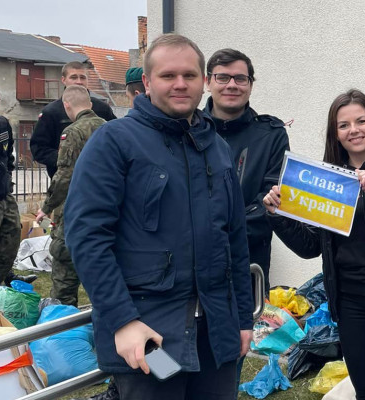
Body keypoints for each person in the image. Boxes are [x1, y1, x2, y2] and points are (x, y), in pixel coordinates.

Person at [64, 34, 253, 400]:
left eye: (189, 75)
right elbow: (87, 238)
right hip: (150, 336)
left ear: (203, 82)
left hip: (216, 336)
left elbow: (235, 240)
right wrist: (123, 320)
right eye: (168, 76)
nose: (180, 84)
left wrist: (242, 319)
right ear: (147, 83)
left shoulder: (217, 148)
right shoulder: (114, 142)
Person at [263, 89, 365, 400]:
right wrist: (278, 215)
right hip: (351, 304)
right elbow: (311, 246)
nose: (354, 130)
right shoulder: (328, 179)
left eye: (361, 121)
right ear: (335, 134)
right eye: (344, 125)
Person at [203, 48, 290, 295]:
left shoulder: (271, 135)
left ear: (250, 85)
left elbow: (273, 199)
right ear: (208, 82)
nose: (232, 85)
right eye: (223, 77)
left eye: (240, 78)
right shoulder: (187, 132)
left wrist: (214, 231)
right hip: (193, 265)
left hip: (249, 265)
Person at [35, 86, 105, 307]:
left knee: (64, 270)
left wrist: (46, 207)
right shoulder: (109, 128)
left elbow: (64, 175)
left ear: (66, 105)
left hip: (76, 210)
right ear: (91, 105)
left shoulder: (73, 132)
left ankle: (63, 325)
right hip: (105, 209)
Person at [30, 61, 117, 177]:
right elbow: (38, 149)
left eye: (82, 77)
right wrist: (68, 158)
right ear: (63, 80)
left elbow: (116, 139)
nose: (79, 81)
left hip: (99, 177)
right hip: (65, 182)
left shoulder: (102, 109)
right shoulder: (51, 112)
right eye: (73, 77)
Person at [0, 81, 30, 286]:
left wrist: (8, 178)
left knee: (13, 234)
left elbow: (8, 155)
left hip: (4, 192)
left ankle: (1, 278)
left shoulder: (2, 124)